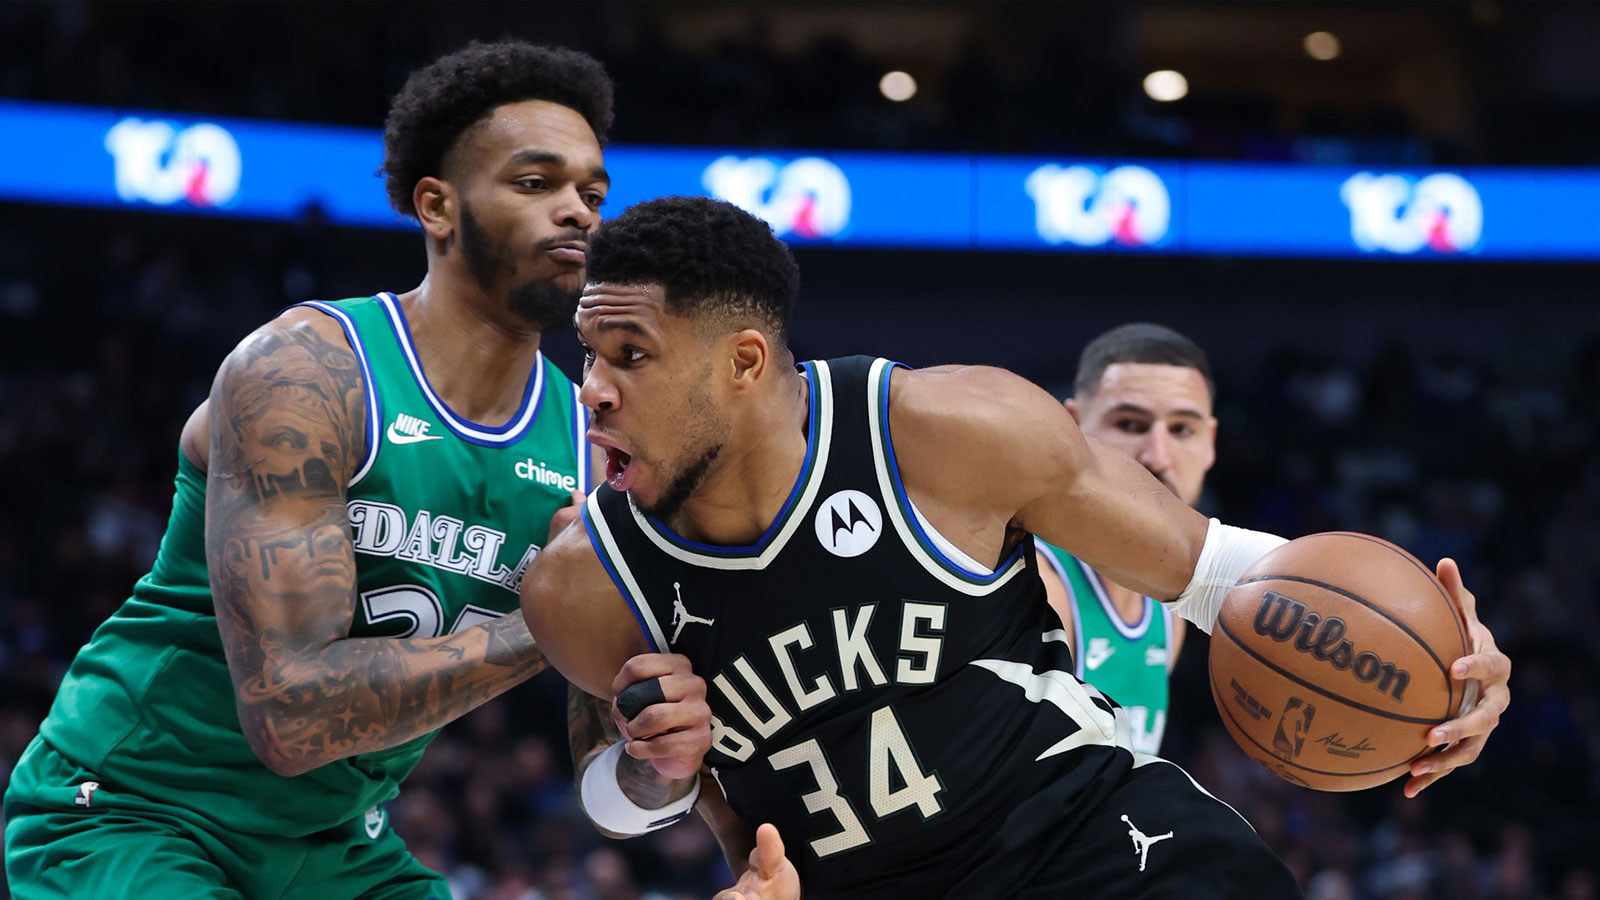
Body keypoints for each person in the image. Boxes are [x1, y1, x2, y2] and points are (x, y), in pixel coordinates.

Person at [522, 196, 1512, 899]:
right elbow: (627, 799)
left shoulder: (947, 430)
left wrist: (1450, 659)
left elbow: (1212, 570)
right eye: (588, 354)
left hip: (1096, 849)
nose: (593, 389)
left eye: (631, 356)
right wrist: (655, 775)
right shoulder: (581, 581)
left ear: (742, 362)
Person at [4, 40, 616, 898]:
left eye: (592, 192)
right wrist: (554, 623)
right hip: (138, 811)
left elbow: (612, 773)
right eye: (535, 183)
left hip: (335, 845)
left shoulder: (586, 444)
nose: (579, 212)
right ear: (436, 206)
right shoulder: (304, 373)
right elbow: (292, 716)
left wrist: (654, 764)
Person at [1031, 322, 1213, 756]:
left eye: (1182, 429)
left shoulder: (1172, 606)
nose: (1156, 456)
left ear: (1211, 444)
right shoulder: (1034, 586)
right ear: (1071, 430)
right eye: (1131, 424)